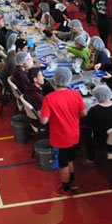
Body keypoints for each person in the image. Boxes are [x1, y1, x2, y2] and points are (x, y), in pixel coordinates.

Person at [39, 67, 86, 197]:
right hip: (74, 134)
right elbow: (83, 113)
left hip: (60, 137)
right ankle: (72, 182)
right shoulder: (76, 94)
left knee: (62, 163)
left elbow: (43, 121)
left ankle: (65, 188)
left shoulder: (49, 98)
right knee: (70, 159)